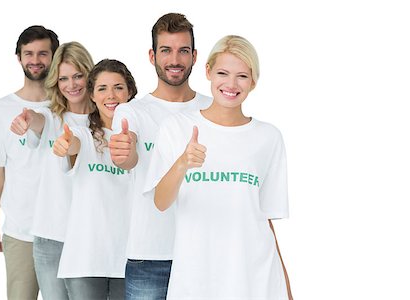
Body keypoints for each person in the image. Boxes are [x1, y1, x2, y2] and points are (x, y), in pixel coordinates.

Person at [146, 35, 293, 299]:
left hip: (254, 281)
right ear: (208, 72)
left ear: (254, 82)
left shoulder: (269, 137)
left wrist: (286, 287)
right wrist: (182, 163)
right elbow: (160, 202)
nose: (231, 84)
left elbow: (265, 219)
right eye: (223, 73)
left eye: (242, 76)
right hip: (196, 279)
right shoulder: (177, 128)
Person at [109, 13, 212, 299]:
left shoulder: (213, 110)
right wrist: (125, 153)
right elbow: (127, 159)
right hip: (148, 255)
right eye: (166, 50)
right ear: (152, 55)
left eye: (183, 51)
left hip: (203, 254)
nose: (175, 60)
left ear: (194, 56)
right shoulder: (132, 113)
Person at [10, 41, 94, 300]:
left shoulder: (102, 120)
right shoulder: (50, 117)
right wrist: (26, 121)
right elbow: (36, 120)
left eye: (78, 75)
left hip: (88, 237)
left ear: (89, 75)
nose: (72, 85)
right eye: (64, 78)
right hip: (50, 238)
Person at [0, 25, 59, 300]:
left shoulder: (68, 107)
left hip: (63, 231)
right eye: (28, 54)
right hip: (20, 232)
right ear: (19, 57)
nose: (35, 60)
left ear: (54, 57)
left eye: (43, 53)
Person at [53, 59, 137, 300]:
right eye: (102, 88)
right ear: (92, 94)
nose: (111, 95)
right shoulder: (82, 134)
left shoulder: (142, 137)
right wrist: (65, 145)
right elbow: (73, 144)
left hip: (128, 260)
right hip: (85, 261)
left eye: (118, 87)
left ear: (129, 91)